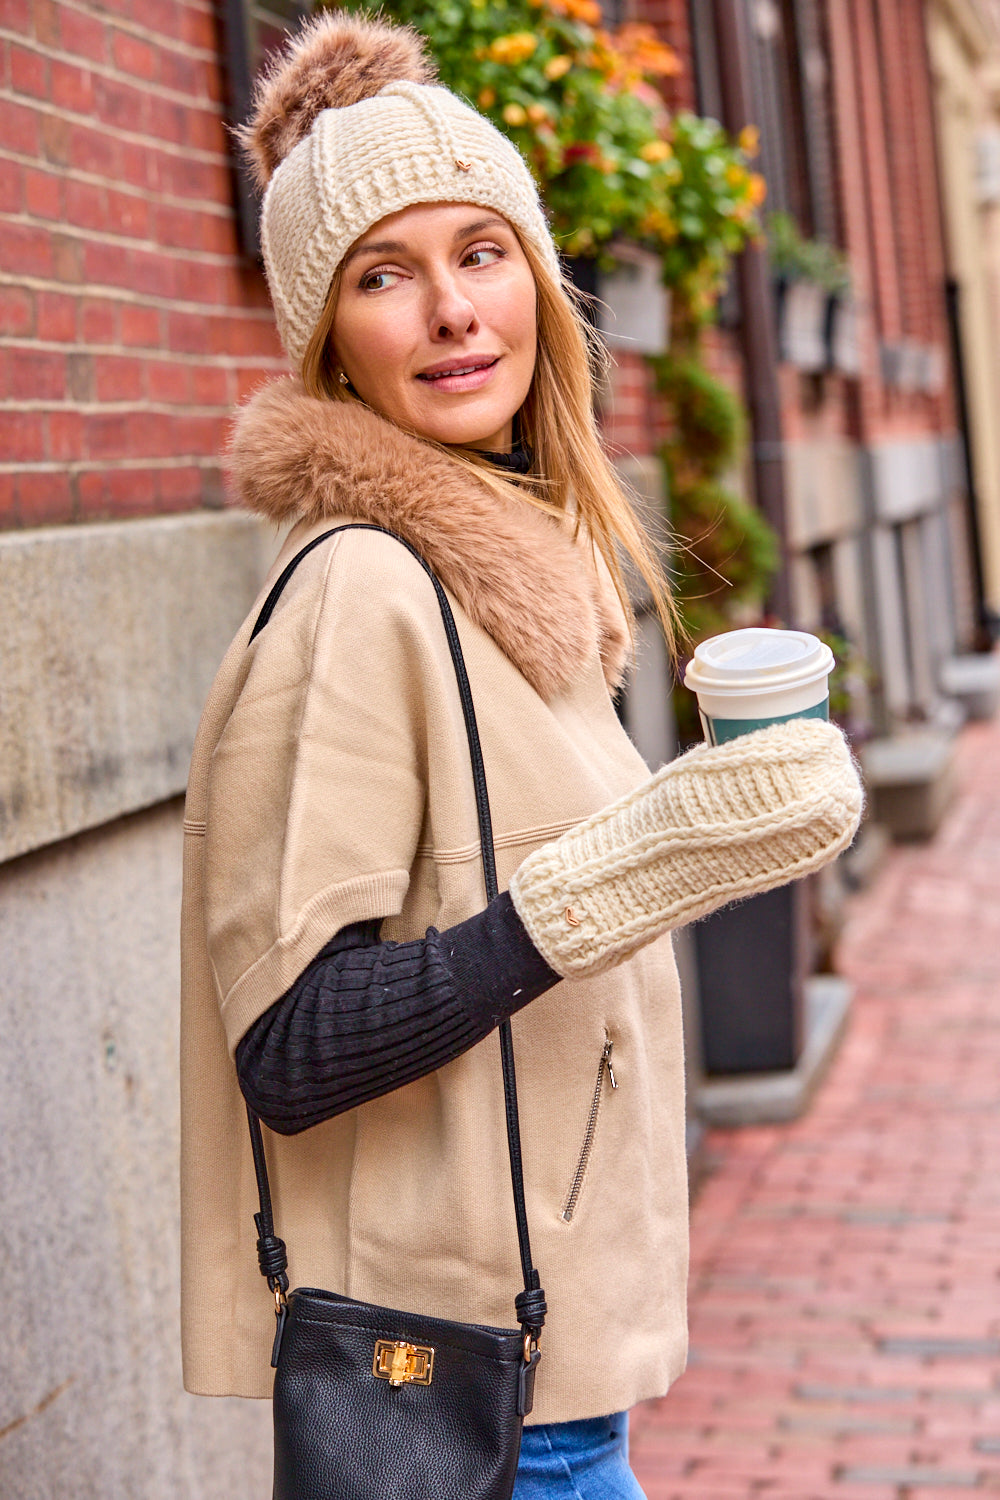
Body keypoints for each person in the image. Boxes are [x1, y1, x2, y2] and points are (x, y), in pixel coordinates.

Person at [179, 13, 863, 1496]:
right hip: (463, 1388)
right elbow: (290, 1045)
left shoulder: (516, 574)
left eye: (481, 253)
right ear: (329, 341)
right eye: (384, 275)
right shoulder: (360, 590)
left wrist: (712, 828)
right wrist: (633, 866)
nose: (449, 312)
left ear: (541, 286)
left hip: (549, 1362)